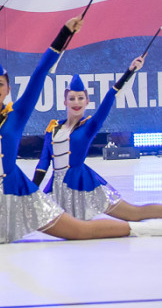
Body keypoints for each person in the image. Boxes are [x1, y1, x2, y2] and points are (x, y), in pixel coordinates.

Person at [0, 17, 162, 244]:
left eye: (0, 84)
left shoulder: (16, 115)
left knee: (79, 231)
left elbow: (40, 72)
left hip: (18, 194)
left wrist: (64, 34)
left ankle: (140, 229)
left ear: (7, 89)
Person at [33, 56, 162, 222]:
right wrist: (32, 190)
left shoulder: (90, 126)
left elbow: (110, 96)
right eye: (72, 98)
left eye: (81, 98)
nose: (76, 102)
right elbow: (43, 163)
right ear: (65, 101)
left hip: (84, 184)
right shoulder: (52, 129)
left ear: (87, 101)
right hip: (57, 189)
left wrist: (130, 71)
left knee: (133, 214)